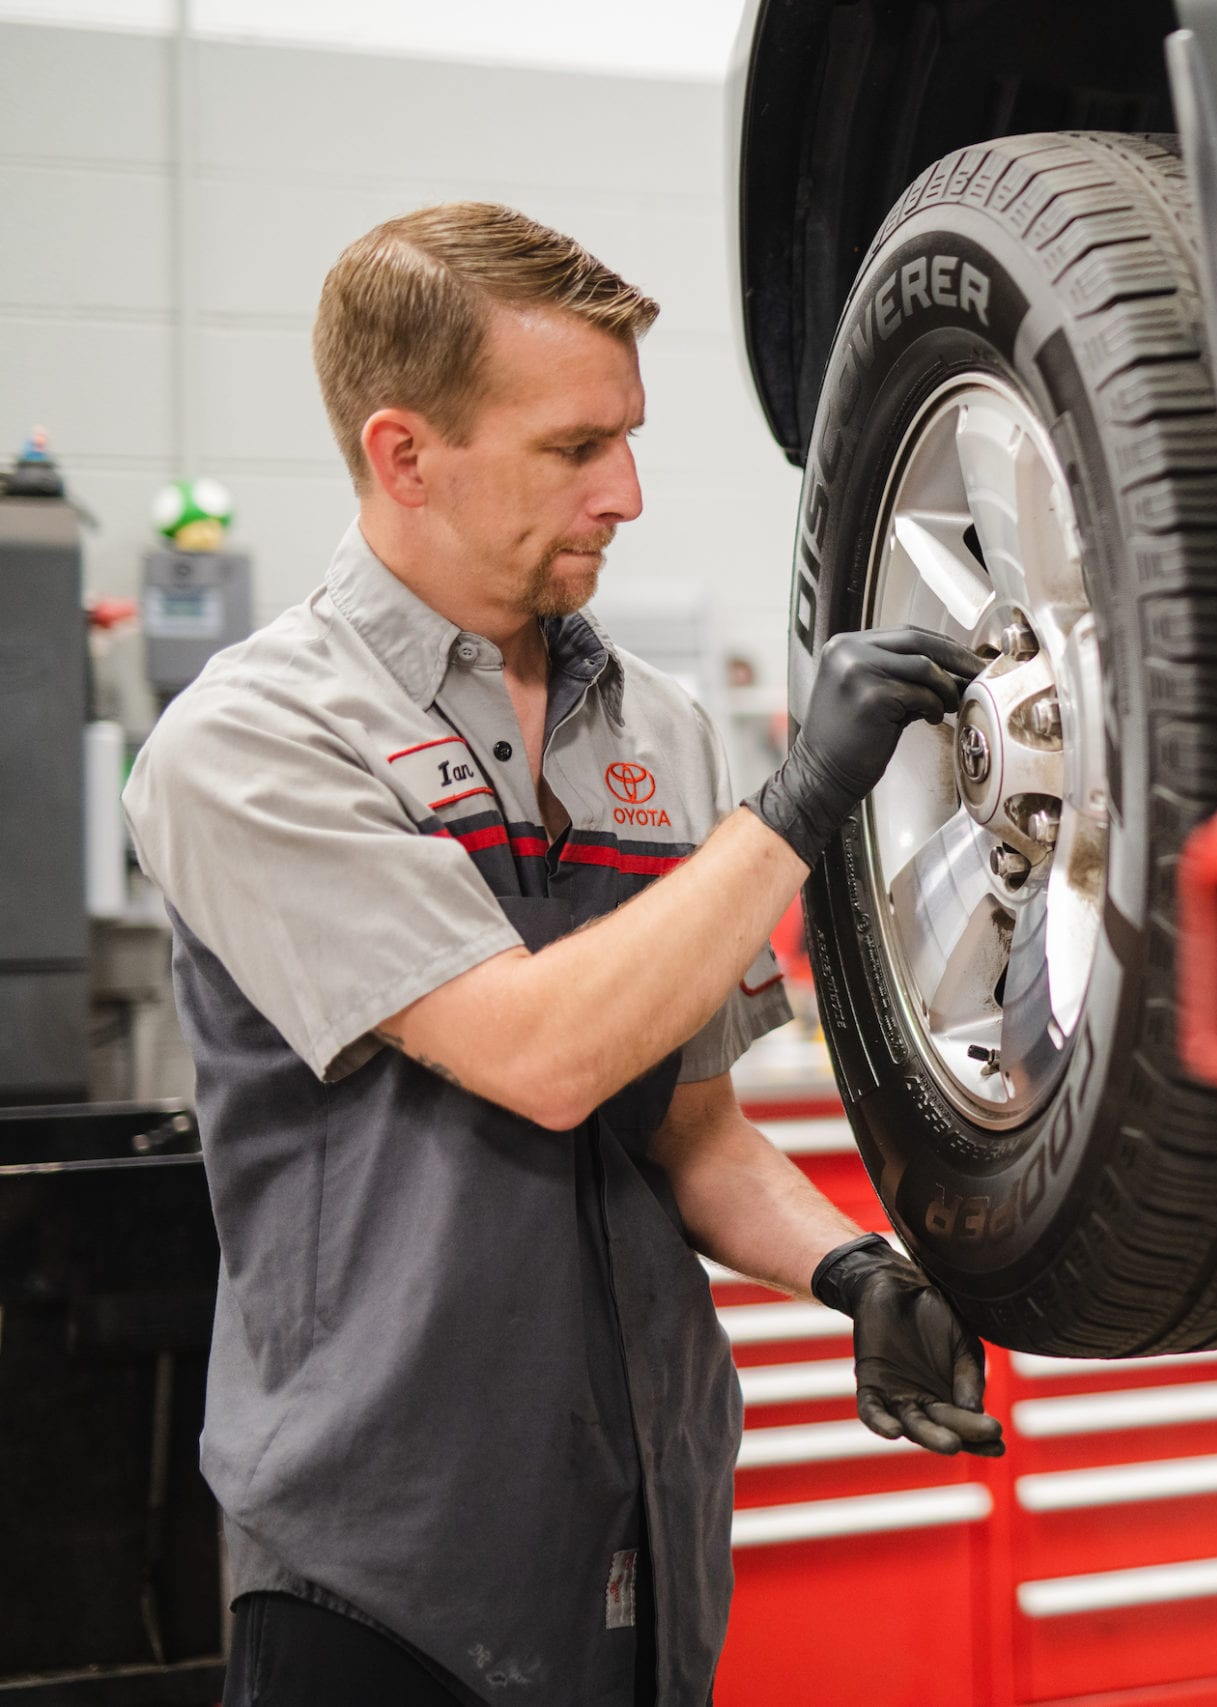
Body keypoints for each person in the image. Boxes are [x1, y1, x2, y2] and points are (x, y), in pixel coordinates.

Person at [122, 202, 1001, 1707]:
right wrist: (796, 803)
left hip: (646, 1526)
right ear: (404, 454)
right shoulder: (255, 741)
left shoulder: (654, 728)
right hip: (385, 1568)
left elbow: (686, 1129)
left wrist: (851, 1274)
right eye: (573, 448)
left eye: (630, 437)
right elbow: (542, 1056)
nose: (630, 491)